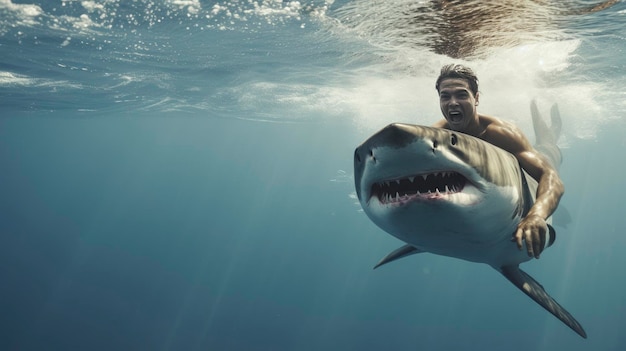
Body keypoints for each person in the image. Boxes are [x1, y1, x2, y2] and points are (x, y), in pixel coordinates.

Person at [432, 64, 564, 259]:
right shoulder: (437, 137)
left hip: (532, 169)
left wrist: (537, 215)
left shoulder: (499, 133)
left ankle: (549, 137)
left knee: (546, 149)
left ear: (476, 98)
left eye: (461, 95)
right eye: (445, 96)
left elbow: (551, 177)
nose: (452, 103)